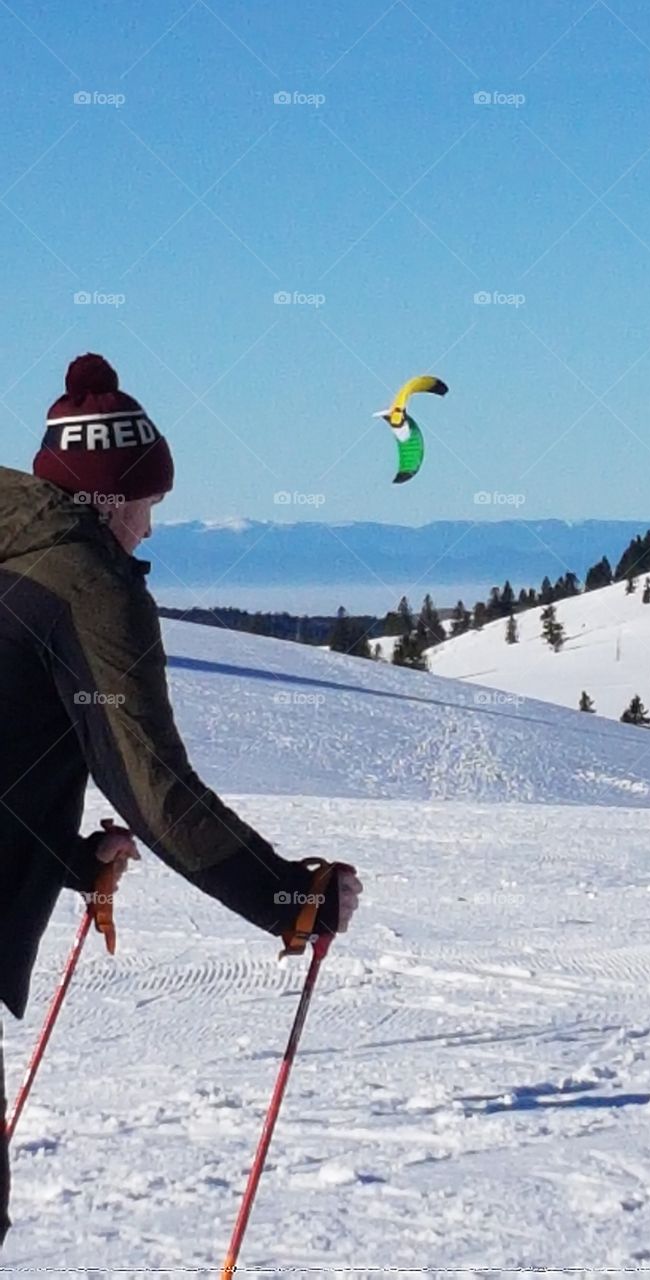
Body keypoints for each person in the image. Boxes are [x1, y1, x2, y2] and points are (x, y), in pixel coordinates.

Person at [0, 354, 362, 1245]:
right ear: (110, 499)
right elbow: (153, 785)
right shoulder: (84, 584)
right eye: (148, 504)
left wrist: (69, 857)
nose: (149, 526)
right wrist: (291, 896)